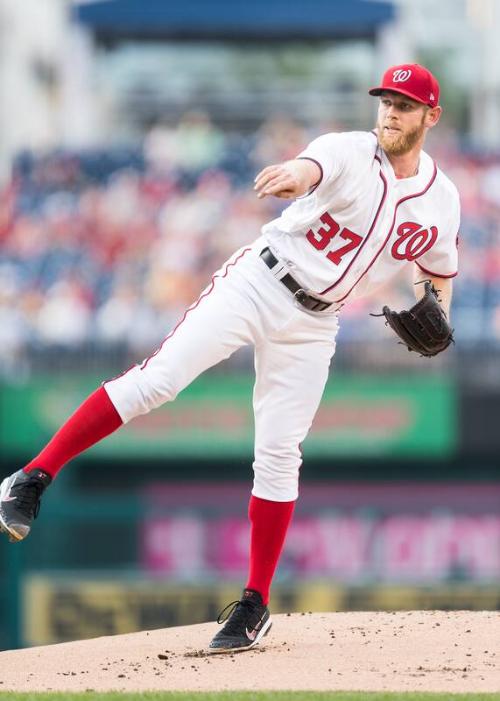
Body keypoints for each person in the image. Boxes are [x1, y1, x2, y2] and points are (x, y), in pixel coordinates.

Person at [0, 64, 459, 653]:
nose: (390, 112)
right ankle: (33, 477)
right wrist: (294, 175)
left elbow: (439, 269)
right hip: (260, 282)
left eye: (404, 104)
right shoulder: (350, 151)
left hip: (317, 323)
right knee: (159, 380)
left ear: (430, 116)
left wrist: (438, 311)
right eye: (385, 101)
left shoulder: (441, 200)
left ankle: (254, 604)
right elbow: (311, 166)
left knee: (279, 454)